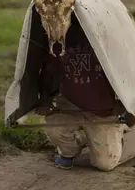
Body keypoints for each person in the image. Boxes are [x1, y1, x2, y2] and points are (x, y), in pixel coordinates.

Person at [36, 13, 128, 172]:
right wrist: (44, 99)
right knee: (54, 128)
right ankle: (70, 150)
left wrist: (125, 105)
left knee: (105, 164)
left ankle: (115, 131)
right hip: (70, 107)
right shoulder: (59, 38)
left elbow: (125, 72)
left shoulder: (107, 39)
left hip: (102, 111)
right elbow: (49, 70)